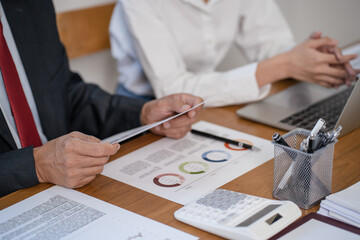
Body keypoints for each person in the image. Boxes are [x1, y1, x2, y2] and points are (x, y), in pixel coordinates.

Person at [0, 0, 203, 197]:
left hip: (66, 192)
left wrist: (142, 114)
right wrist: (34, 165)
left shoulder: (31, 5)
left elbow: (66, 96)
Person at [110, 0, 359, 107]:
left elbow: (269, 44)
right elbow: (173, 89)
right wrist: (286, 64)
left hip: (216, 99)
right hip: (142, 106)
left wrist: (307, 58)